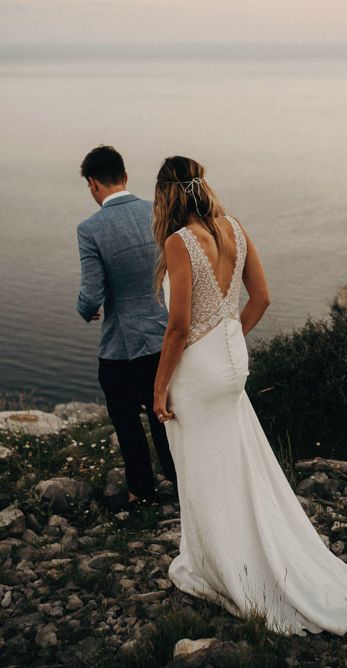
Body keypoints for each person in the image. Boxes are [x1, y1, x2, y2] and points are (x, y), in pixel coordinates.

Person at [151, 155, 347, 636]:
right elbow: (260, 298)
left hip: (198, 371)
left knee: (202, 468)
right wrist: (229, 334)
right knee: (237, 460)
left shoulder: (180, 242)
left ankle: (220, 565)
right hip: (233, 363)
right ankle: (252, 547)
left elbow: (177, 328)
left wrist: (158, 388)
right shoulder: (233, 229)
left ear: (166, 196)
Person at [76, 145, 177, 512]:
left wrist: (84, 309)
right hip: (165, 336)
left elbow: (91, 294)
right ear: (125, 177)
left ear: (93, 185)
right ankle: (181, 482)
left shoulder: (90, 230)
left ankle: (140, 490)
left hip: (121, 346)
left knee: (126, 419)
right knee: (164, 413)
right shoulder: (158, 212)